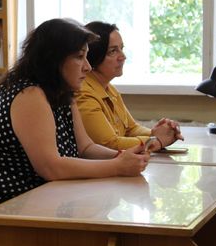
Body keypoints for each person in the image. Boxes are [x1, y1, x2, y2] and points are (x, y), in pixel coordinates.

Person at [0, 18, 150, 211]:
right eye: (79, 57)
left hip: (40, 197)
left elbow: (85, 148)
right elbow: (50, 168)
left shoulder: (63, 92)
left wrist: (123, 156)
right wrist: (117, 166)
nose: (87, 66)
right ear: (54, 60)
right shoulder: (29, 94)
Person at [76, 21, 183, 150]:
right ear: (94, 55)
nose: (123, 57)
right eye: (113, 51)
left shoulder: (109, 89)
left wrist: (161, 133)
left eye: (121, 49)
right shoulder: (83, 94)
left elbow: (131, 129)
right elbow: (109, 144)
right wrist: (156, 141)